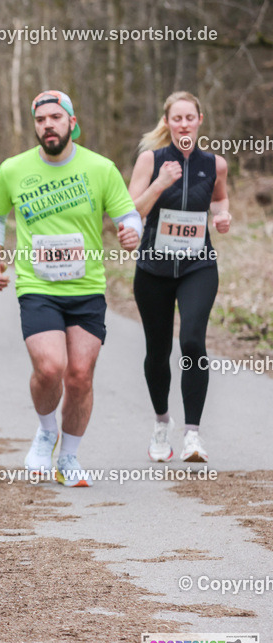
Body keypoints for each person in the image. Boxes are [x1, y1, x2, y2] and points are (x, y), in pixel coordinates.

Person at [0, 90, 142, 487]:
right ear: (35, 126)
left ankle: (68, 457)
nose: (48, 125)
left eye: (55, 117)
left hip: (86, 286)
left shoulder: (100, 168)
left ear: (72, 122)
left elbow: (128, 213)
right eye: (40, 120)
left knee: (80, 376)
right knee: (51, 367)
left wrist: (131, 232)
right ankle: (46, 432)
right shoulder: (14, 169)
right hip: (37, 285)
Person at [128, 91, 230, 463]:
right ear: (167, 122)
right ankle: (161, 425)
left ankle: (193, 436)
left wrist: (222, 216)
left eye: (190, 118)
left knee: (192, 342)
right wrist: (159, 183)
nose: (184, 124)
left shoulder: (214, 163)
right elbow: (130, 212)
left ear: (200, 120)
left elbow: (219, 199)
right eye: (177, 118)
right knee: (158, 350)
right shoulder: (150, 160)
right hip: (153, 267)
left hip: (197, 266)